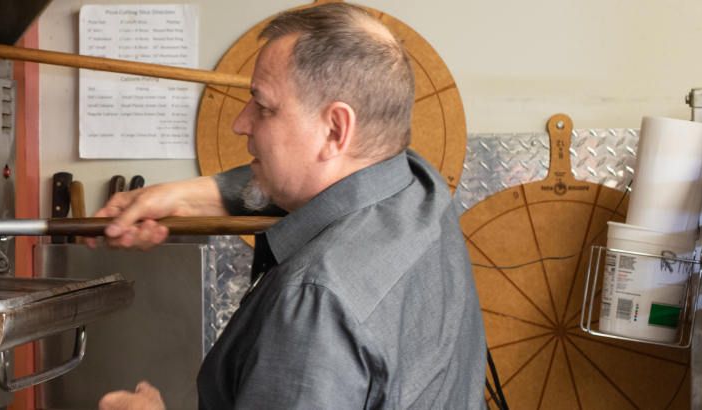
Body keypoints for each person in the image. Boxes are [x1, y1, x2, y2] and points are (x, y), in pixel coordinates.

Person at [87, 3, 487, 409]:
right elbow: (325, 185)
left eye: (264, 107)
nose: (240, 123)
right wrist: (186, 195)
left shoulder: (316, 303)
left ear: (335, 130)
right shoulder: (418, 185)